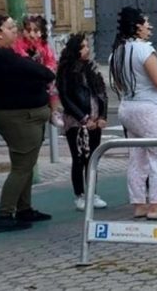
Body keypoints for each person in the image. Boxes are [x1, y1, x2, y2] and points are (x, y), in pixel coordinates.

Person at [0, 15, 55, 233]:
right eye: (10, 27)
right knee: (21, 168)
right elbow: (42, 72)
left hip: (23, 116)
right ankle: (4, 215)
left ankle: (24, 208)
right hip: (19, 118)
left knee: (26, 165)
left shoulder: (1, 55)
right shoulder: (0, 55)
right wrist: (43, 74)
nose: (15, 31)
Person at [109, 7, 157, 220]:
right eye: (146, 23)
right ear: (137, 26)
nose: (150, 27)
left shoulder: (116, 52)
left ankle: (138, 203)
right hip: (147, 108)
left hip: (127, 107)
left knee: (137, 156)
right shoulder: (144, 49)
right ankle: (156, 204)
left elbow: (118, 83)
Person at [56, 33, 109, 211]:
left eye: (88, 46)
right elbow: (66, 98)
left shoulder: (92, 68)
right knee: (78, 158)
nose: (88, 49)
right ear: (76, 50)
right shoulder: (66, 71)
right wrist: (83, 118)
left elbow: (102, 94)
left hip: (95, 119)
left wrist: (102, 116)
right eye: (84, 46)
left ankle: (92, 193)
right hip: (77, 122)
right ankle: (79, 195)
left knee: (93, 158)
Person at [12, 14, 63, 127]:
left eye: (35, 30)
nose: (31, 34)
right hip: (25, 78)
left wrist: (49, 70)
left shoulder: (44, 46)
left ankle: (54, 112)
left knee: (53, 84)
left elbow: (50, 60)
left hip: (40, 77)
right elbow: (23, 60)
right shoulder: (19, 45)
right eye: (28, 30)